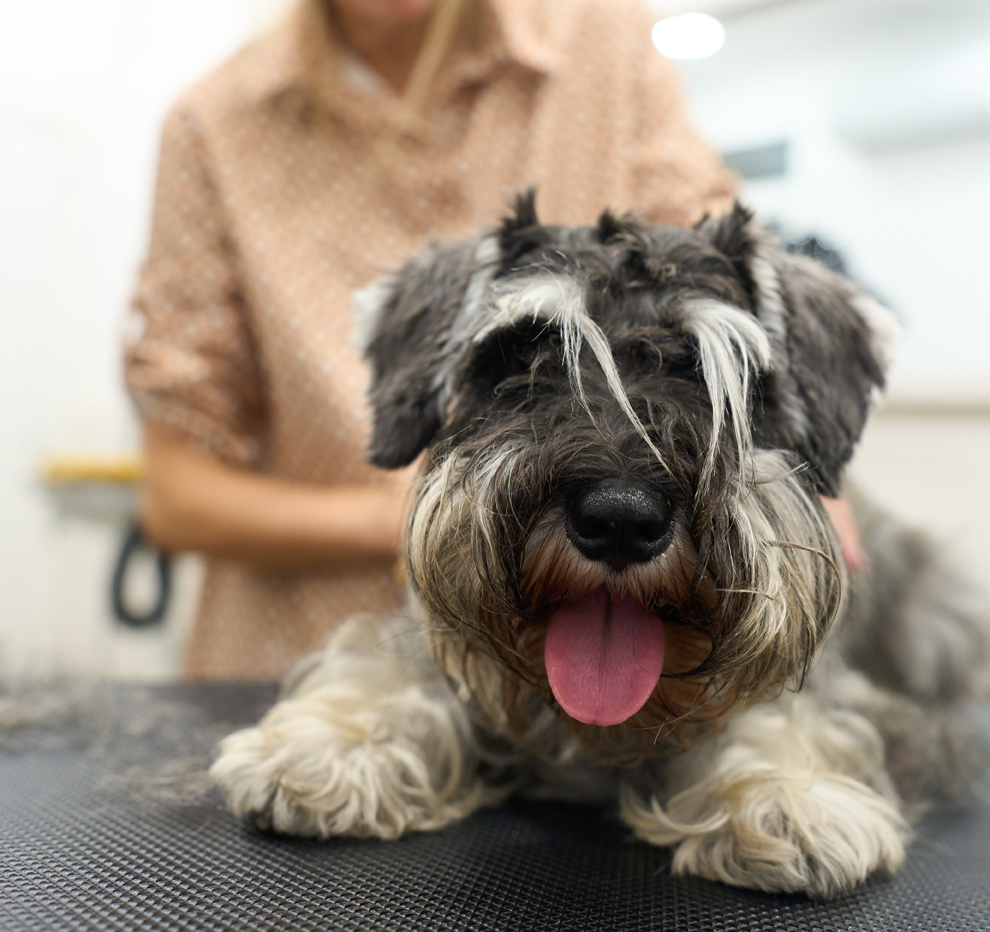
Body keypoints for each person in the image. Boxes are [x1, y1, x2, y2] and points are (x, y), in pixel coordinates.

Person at [125, 0, 738, 679]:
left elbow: (715, 278)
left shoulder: (606, 44)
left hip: (600, 668)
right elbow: (179, 499)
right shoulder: (212, 127)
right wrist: (440, 520)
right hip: (309, 669)